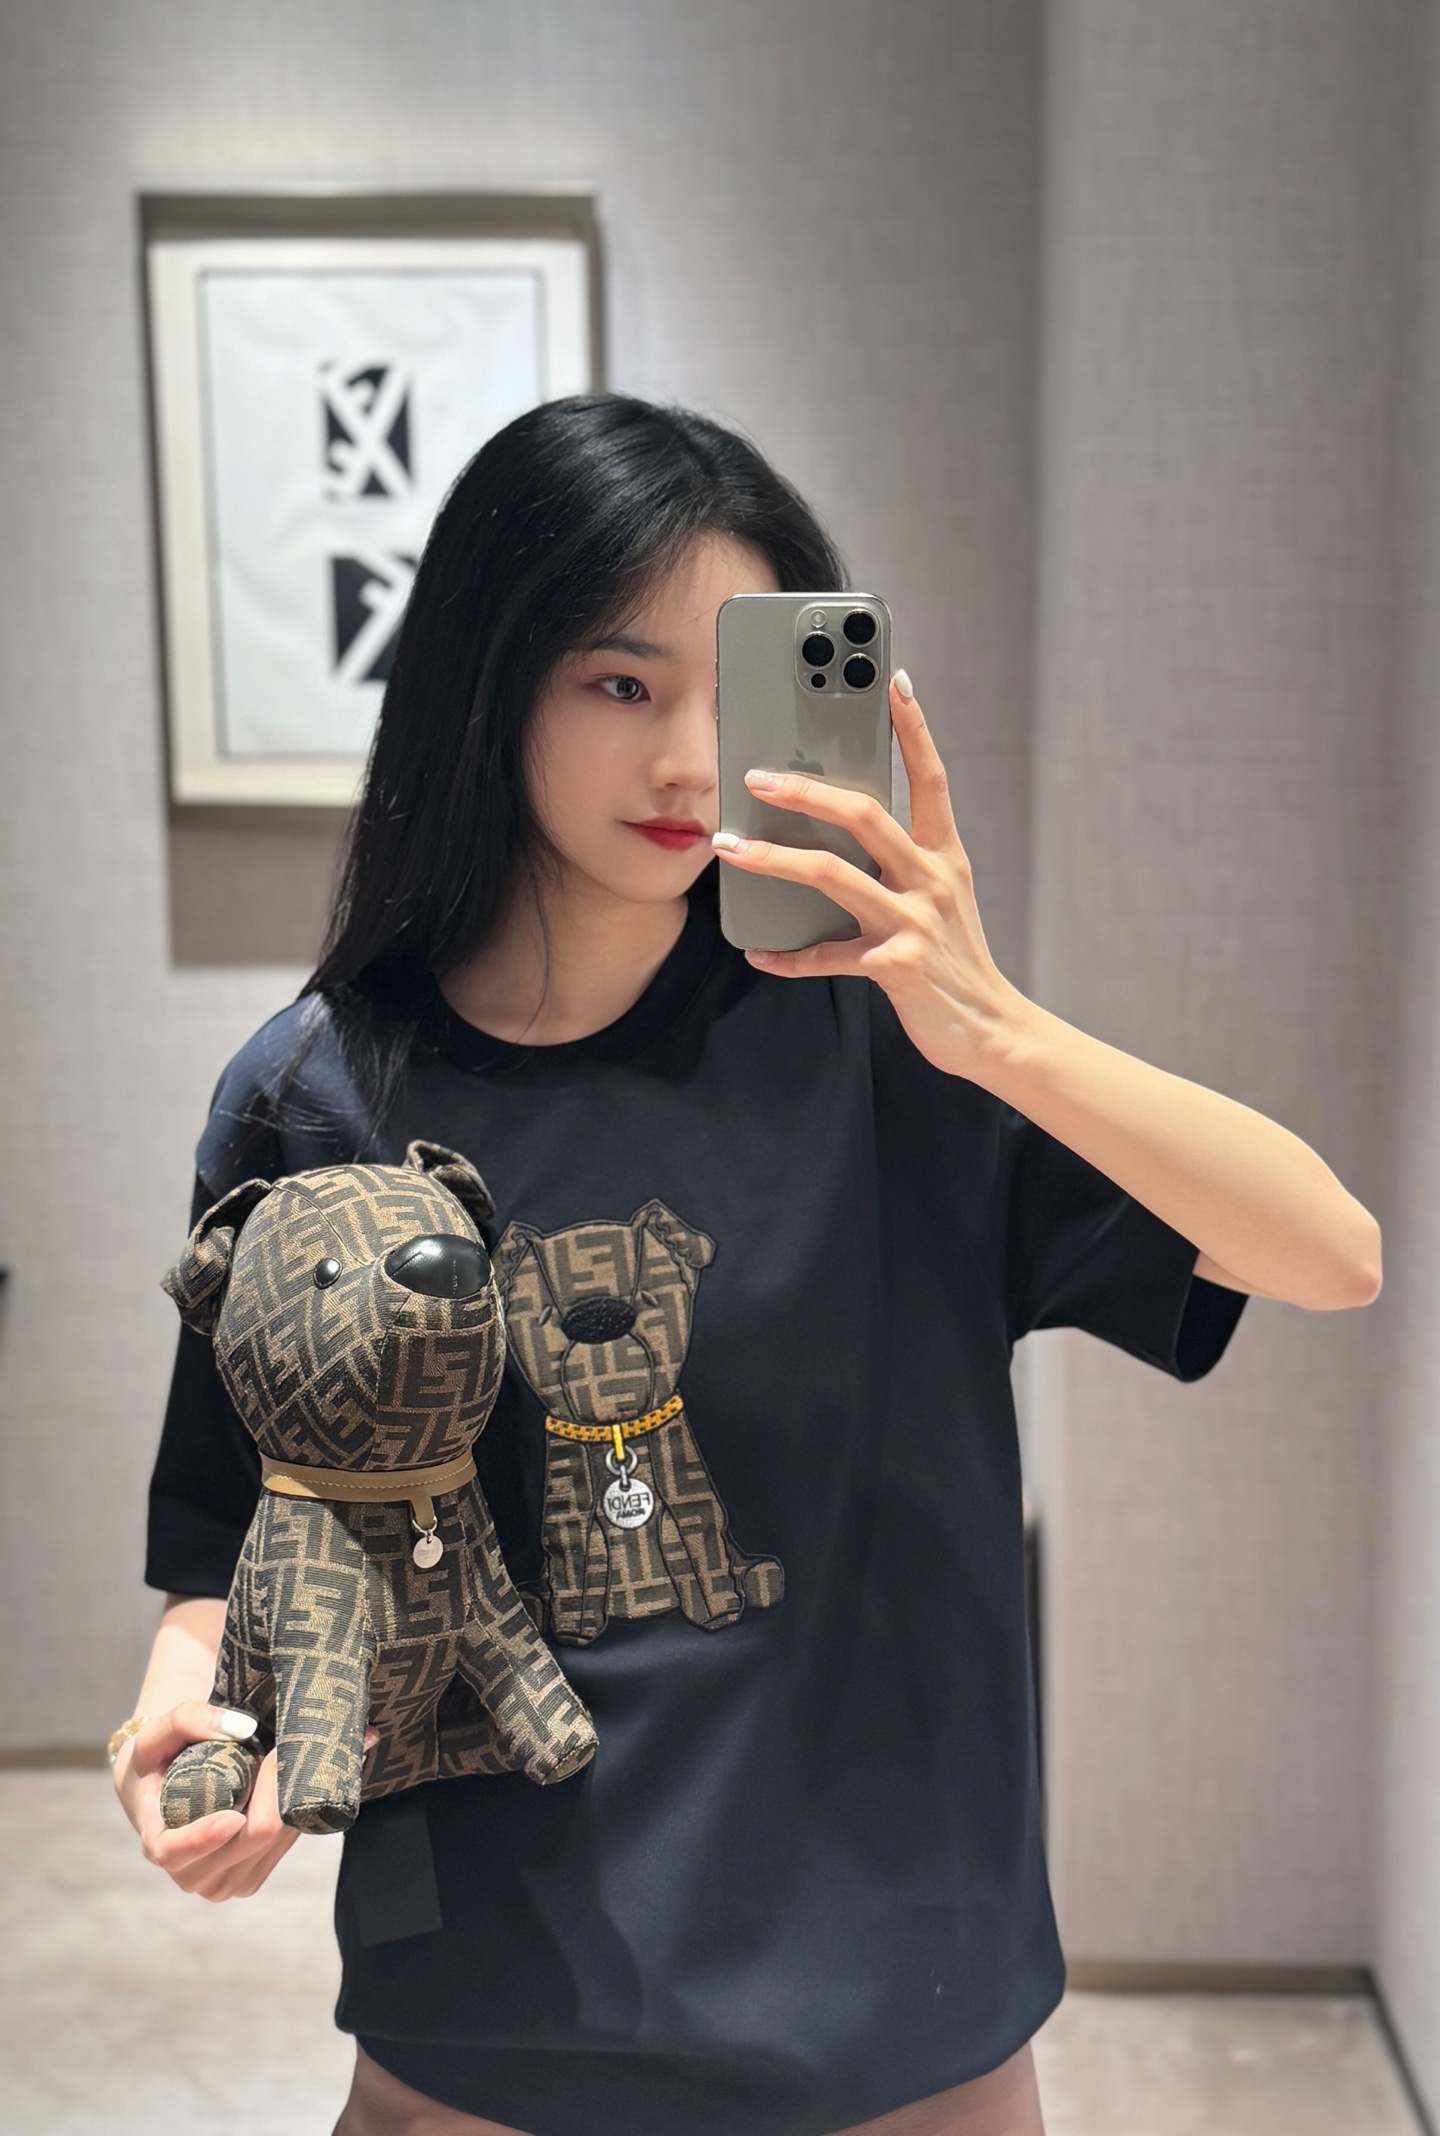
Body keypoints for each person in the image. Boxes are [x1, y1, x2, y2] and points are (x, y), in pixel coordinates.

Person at [113, 394, 1381, 2136]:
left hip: (896, 2029)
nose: (689, 762)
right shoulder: (316, 1097)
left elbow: (1329, 1252)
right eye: (619, 684)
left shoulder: (892, 1053)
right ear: (488, 679)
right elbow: (228, 1545)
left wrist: (998, 1027)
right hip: (487, 2023)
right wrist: (197, 1721)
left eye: (738, 688)